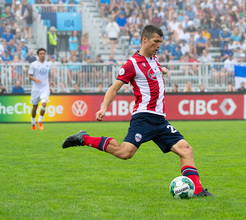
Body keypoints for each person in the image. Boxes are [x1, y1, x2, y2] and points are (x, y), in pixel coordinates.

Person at [62, 25, 213, 198]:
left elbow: (153, 71)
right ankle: (84, 138)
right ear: (144, 39)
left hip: (160, 121)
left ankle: (198, 191)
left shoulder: (154, 59)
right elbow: (114, 88)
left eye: (160, 42)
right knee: (125, 152)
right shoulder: (131, 64)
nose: (158, 46)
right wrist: (104, 108)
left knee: (186, 150)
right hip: (144, 118)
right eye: (156, 42)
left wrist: (162, 70)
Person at [28, 48, 52, 131]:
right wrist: (37, 80)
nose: (42, 55)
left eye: (43, 54)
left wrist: (50, 84)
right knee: (35, 107)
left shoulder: (48, 64)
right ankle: (33, 122)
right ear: (38, 55)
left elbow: (48, 75)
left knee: (44, 103)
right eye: (41, 54)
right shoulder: (33, 64)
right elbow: (30, 76)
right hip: (36, 88)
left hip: (45, 88)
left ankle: (40, 121)